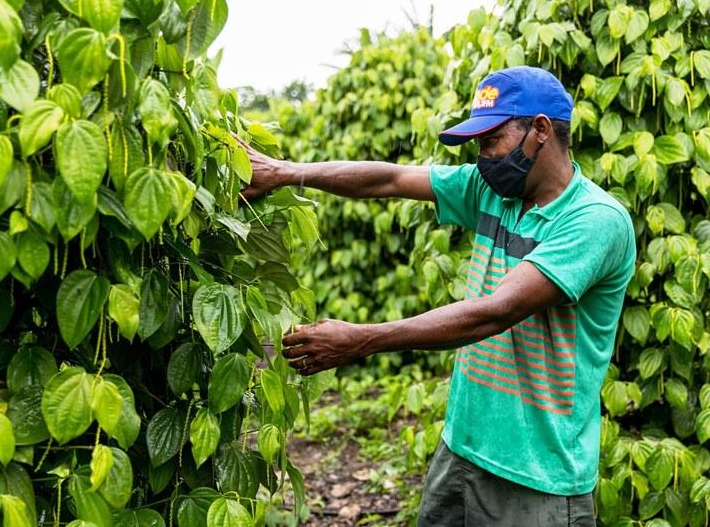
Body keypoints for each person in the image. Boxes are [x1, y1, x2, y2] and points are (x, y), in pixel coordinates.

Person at [236, 66, 636, 527]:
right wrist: (286, 174)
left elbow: (494, 311)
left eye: (492, 141)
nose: (484, 158)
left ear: (541, 130)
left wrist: (362, 340)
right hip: (461, 450)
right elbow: (390, 180)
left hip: (536, 478)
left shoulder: (595, 220)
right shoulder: (496, 193)